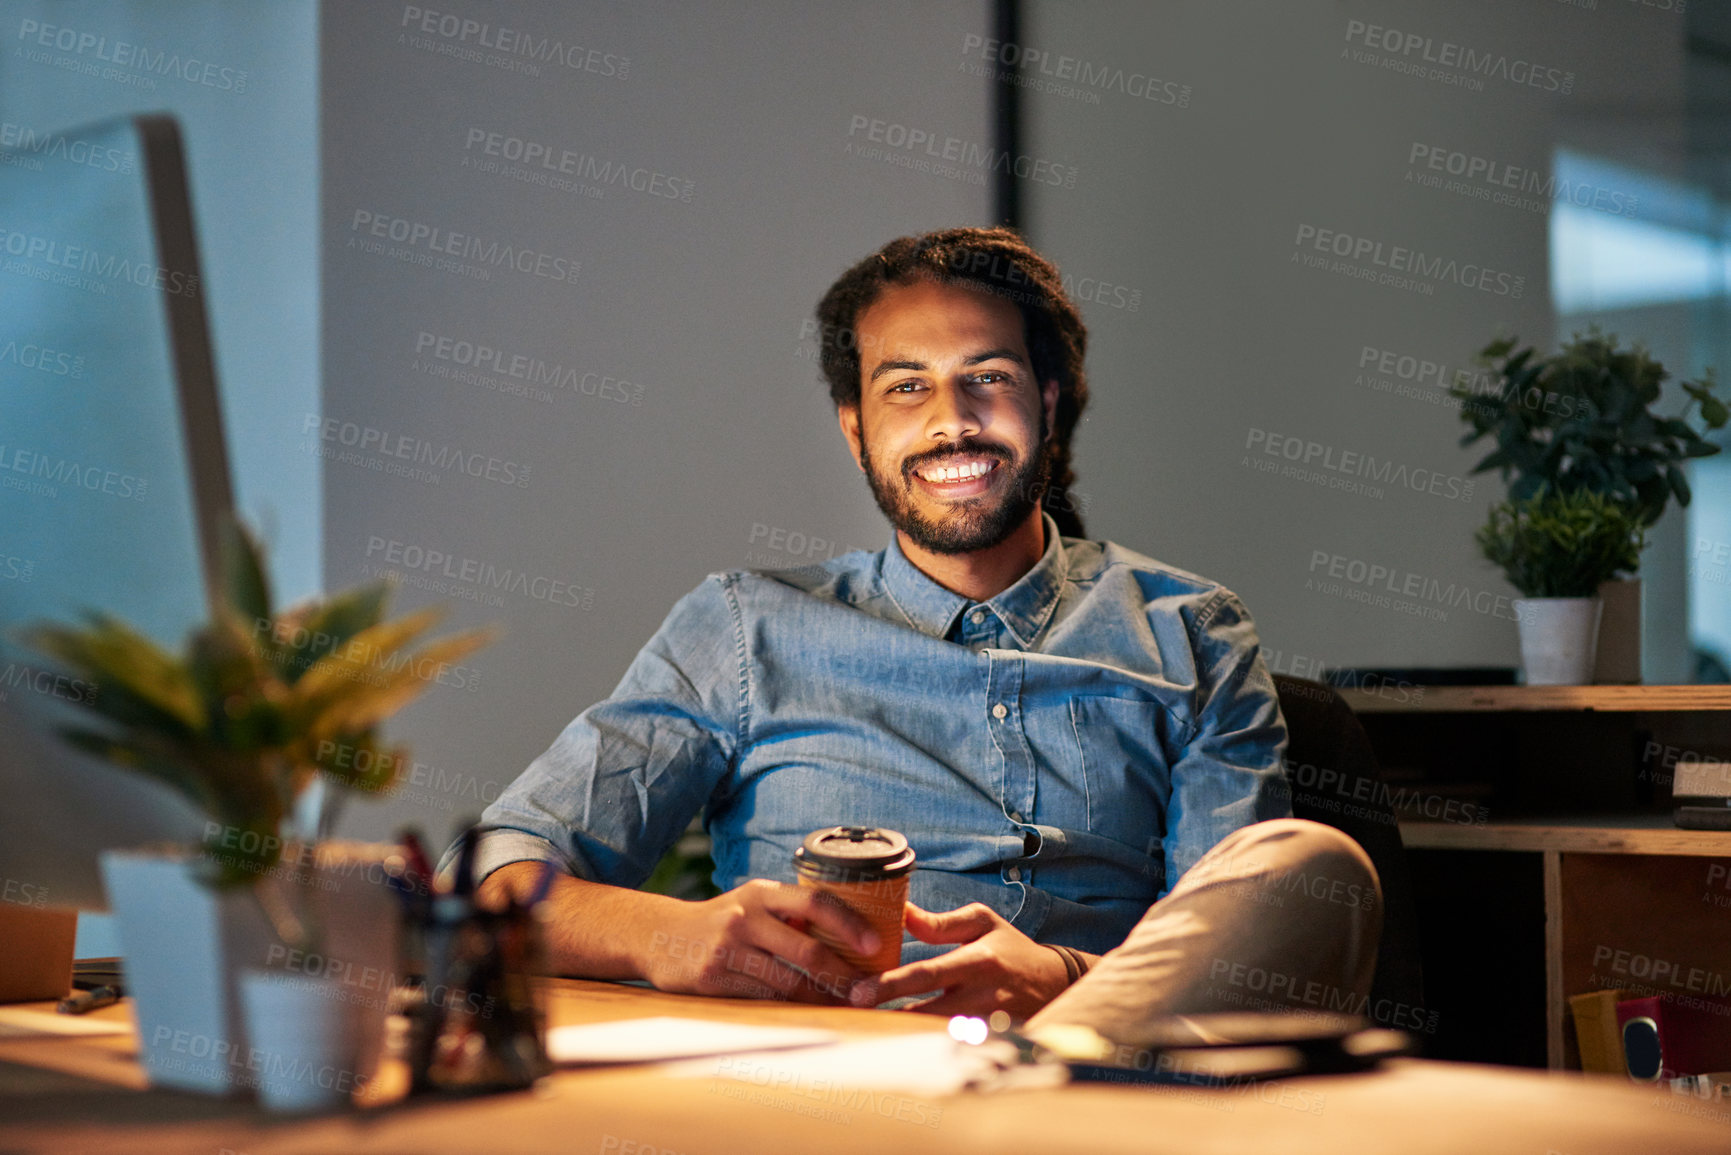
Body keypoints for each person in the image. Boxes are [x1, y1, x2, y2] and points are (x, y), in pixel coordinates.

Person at [469, 227, 1380, 1030]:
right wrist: (667, 932)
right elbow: (495, 875)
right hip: (804, 1103)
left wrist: (1066, 981)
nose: (952, 423)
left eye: (988, 378)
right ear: (855, 428)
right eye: (907, 387)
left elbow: (1250, 965)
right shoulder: (743, 629)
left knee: (1298, 872)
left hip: (1085, 1098)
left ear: (1050, 405)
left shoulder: (1191, 632)